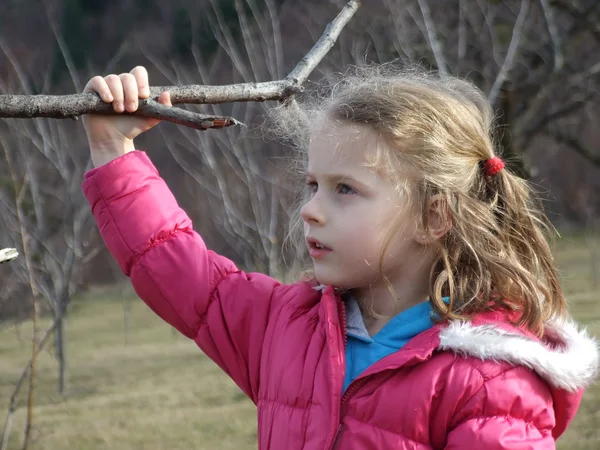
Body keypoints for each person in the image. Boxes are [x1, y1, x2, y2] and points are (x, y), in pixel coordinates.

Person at [81, 65, 598, 449]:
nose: (310, 210)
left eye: (344, 189)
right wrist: (112, 150)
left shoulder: (488, 381)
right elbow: (179, 270)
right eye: (312, 185)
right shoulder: (286, 326)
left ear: (433, 217)